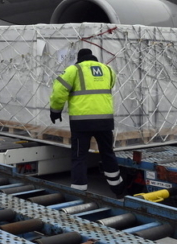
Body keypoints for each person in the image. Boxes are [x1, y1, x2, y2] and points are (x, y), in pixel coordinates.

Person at [49, 48, 126, 197]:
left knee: (79, 156)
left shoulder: (74, 70)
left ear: (79, 58)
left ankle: (78, 192)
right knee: (107, 153)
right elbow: (109, 86)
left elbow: (59, 90)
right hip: (104, 121)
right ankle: (118, 188)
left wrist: (55, 110)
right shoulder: (108, 70)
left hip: (81, 122)